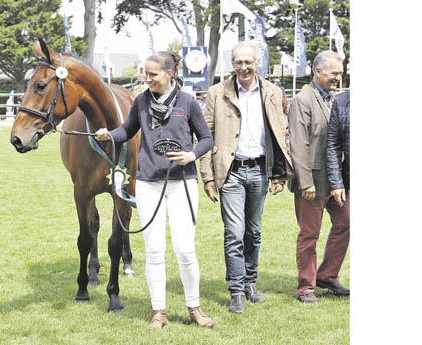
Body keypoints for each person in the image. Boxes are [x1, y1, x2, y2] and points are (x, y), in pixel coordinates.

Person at [94, 51, 214, 330]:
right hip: (148, 183)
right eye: (144, 73)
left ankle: (194, 306)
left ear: (169, 74)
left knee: (185, 250)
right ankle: (158, 311)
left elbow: (207, 139)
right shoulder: (141, 101)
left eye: (152, 74)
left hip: (182, 182)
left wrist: (191, 155)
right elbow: (126, 131)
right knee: (155, 249)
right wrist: (108, 135)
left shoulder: (187, 102)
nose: (146, 78)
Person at [199, 41, 292, 313]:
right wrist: (207, 176)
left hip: (261, 170)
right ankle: (237, 289)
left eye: (248, 62)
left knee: (254, 231)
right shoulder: (217, 93)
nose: (243, 67)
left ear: (257, 63)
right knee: (234, 233)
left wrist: (279, 175)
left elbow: (279, 136)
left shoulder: (273, 92)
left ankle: (251, 281)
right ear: (232, 64)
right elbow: (205, 136)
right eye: (238, 62)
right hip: (230, 172)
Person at [287, 51, 350, 304]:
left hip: (337, 181)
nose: (338, 77)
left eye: (340, 73)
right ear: (318, 71)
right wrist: (306, 182)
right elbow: (298, 144)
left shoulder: (338, 100)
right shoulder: (302, 100)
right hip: (311, 183)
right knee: (309, 235)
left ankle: (328, 275)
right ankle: (306, 287)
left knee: (347, 221)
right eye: (334, 73)